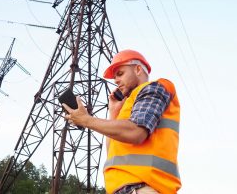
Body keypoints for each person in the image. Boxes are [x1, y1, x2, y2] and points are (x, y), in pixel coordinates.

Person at [63, 50, 181, 194]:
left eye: (120, 74)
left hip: (143, 188)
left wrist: (87, 120)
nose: (116, 80)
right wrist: (113, 113)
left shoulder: (155, 88)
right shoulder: (127, 108)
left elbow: (137, 132)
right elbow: (112, 152)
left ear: (138, 69)